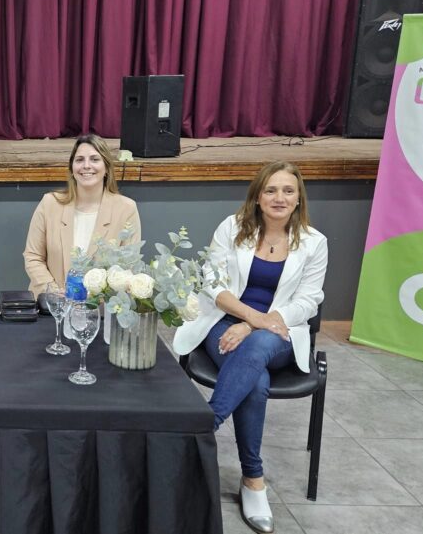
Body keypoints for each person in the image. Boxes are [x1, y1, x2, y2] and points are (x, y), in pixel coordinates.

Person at [173, 161, 328, 534]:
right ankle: (253, 480)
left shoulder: (314, 242)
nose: (279, 198)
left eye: (288, 190)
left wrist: (254, 325)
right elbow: (212, 282)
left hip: (281, 333)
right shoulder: (232, 228)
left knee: (258, 344)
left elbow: (309, 301)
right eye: (270, 190)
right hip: (223, 324)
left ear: (298, 198)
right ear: (258, 196)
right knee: (254, 381)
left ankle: (205, 426)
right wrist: (249, 318)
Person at [23, 134, 141, 297]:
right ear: (72, 169)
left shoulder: (126, 209)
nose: (86, 166)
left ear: (107, 168)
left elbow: (129, 266)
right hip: (52, 303)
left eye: (94, 159)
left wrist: (96, 297)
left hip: (100, 306)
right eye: (79, 160)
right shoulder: (49, 203)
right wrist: (52, 290)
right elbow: (33, 257)